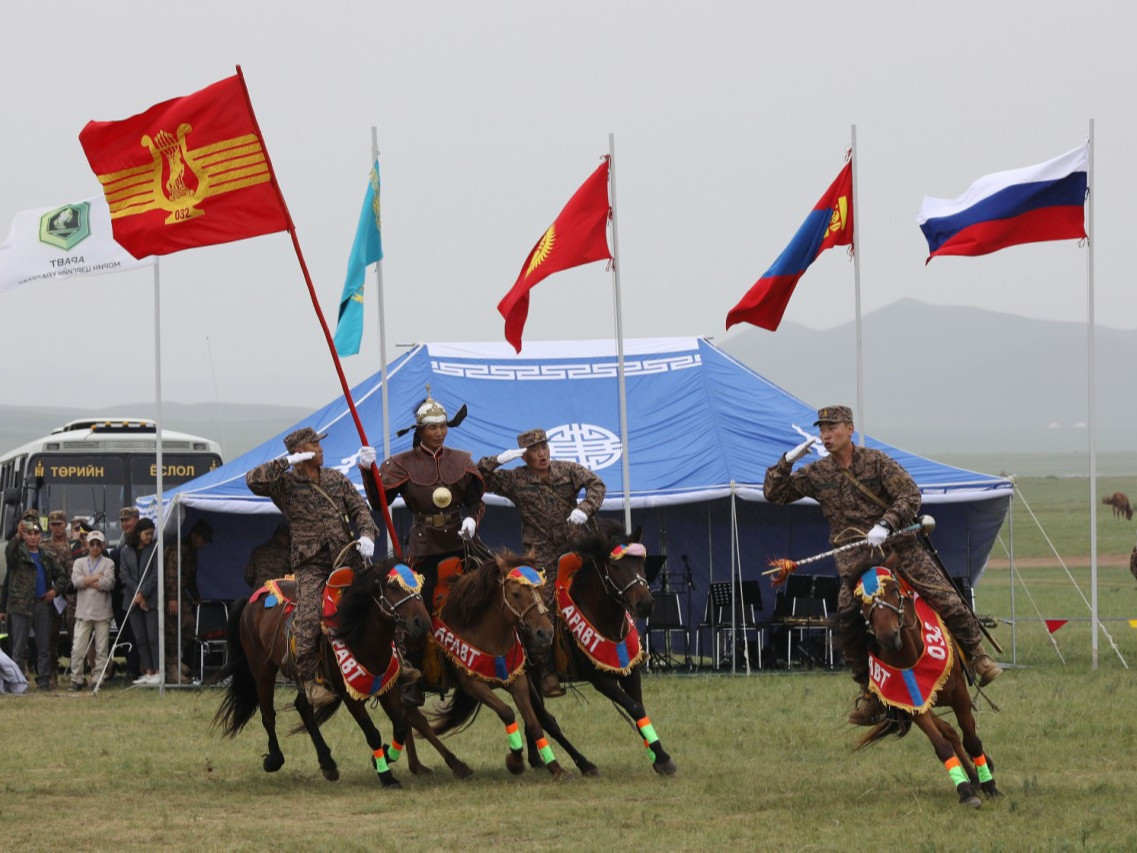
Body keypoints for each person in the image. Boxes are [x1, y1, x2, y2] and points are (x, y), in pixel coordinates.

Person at [764, 405, 1003, 726]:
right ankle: (870, 693)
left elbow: (909, 494)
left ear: (849, 428)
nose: (825, 435)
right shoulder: (818, 473)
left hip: (897, 546)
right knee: (848, 620)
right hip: (856, 558)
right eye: (821, 429)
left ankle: (976, 656)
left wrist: (887, 523)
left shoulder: (876, 462)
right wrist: (786, 462)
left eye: (831, 427)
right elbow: (774, 494)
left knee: (943, 593)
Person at [361, 390, 484, 706]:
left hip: (462, 541)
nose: (439, 432)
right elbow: (379, 502)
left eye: (443, 426)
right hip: (425, 546)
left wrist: (471, 520)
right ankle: (413, 676)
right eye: (433, 427)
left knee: (498, 587)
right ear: (420, 431)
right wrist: (367, 473)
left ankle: (496, 662)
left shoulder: (462, 459)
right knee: (418, 611)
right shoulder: (402, 464)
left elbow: (474, 499)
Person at [246, 427, 378, 708]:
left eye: (319, 444)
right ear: (300, 452)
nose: (320, 449)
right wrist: (287, 462)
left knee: (383, 597)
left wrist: (366, 533)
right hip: (312, 565)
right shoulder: (284, 486)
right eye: (314, 445)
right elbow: (253, 480)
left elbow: (360, 509)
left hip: (348, 556)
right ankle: (310, 680)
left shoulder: (335, 478)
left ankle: (397, 660)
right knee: (308, 616)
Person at [477, 427, 606, 696]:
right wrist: (499, 460)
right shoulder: (516, 479)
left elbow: (597, 484)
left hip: (574, 545)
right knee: (542, 605)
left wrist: (584, 509)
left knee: (597, 592)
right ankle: (546, 671)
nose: (542, 454)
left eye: (544, 447)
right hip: (542, 552)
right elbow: (479, 477)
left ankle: (601, 657)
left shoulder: (567, 470)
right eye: (534, 451)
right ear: (525, 458)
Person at [0, 519, 68, 690]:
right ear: (25, 536)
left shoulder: (46, 555)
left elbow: (62, 576)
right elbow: (9, 553)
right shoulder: (18, 554)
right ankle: (17, 682)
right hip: (20, 607)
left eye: (36, 534)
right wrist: (17, 536)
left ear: (40, 536)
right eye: (29, 534)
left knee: (43, 645)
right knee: (19, 648)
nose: (32, 537)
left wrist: (54, 591)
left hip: (42, 605)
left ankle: (44, 681)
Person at [163, 518, 213, 683]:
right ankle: (171, 667)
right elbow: (171, 574)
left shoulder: (191, 551)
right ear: (194, 535)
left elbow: (189, 577)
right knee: (173, 629)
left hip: (179, 593)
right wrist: (171, 598)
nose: (203, 544)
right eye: (203, 540)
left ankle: (176, 660)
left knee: (188, 625)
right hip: (169, 593)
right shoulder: (179, 549)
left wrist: (196, 595)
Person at [69, 530, 115, 690]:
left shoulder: (109, 563)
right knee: (77, 648)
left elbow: (109, 584)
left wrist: (86, 581)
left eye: (98, 543)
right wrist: (96, 577)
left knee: (102, 649)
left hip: (103, 612)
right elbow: (75, 582)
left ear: (103, 545)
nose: (95, 547)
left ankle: (98, 679)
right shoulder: (79, 562)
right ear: (87, 545)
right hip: (83, 612)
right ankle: (77, 679)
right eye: (92, 543)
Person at [119, 517, 160, 685]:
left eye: (151, 534)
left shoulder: (155, 549)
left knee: (153, 636)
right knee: (140, 638)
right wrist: (137, 595)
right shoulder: (125, 551)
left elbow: (155, 575)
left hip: (150, 600)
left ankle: (158, 670)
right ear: (138, 533)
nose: (149, 537)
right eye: (147, 534)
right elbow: (125, 575)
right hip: (132, 601)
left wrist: (142, 593)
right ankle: (148, 671)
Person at [42, 509, 75, 687]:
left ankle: (77, 673)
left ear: (65, 524)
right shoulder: (43, 545)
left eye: (59, 524)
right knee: (50, 637)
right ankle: (52, 674)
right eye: (53, 525)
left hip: (72, 597)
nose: (56, 528)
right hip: (53, 597)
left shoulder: (74, 544)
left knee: (75, 636)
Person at [110, 507, 141, 680]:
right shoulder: (118, 551)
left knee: (139, 635)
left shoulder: (144, 543)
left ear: (136, 519)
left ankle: (137, 669)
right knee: (127, 635)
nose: (124, 524)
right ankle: (131, 669)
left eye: (127, 520)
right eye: (122, 521)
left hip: (138, 597)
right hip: (121, 599)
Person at [243, 523, 291, 590]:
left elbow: (248, 576)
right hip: (278, 593)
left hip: (260, 592)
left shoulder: (259, 551)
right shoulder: (289, 554)